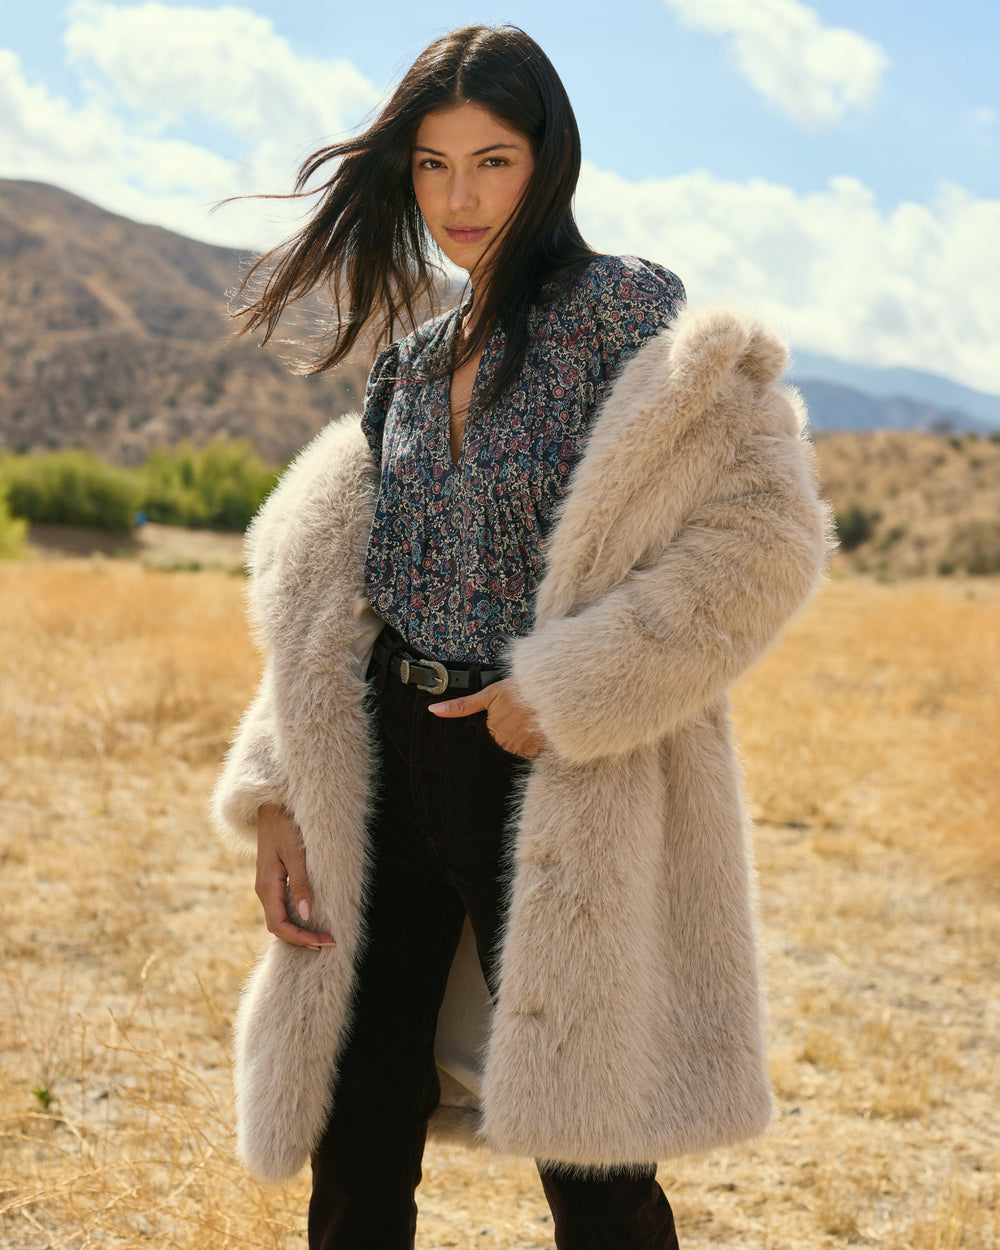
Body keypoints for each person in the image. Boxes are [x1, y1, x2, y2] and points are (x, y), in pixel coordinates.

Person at [212, 23, 830, 1250]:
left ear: (548, 160)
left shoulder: (624, 313)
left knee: (594, 1161)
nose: (460, 196)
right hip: (382, 767)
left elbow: (766, 533)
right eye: (433, 166)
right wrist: (280, 785)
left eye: (491, 160)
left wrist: (570, 688)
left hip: (545, 771)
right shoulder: (410, 359)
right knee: (357, 1119)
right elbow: (353, 591)